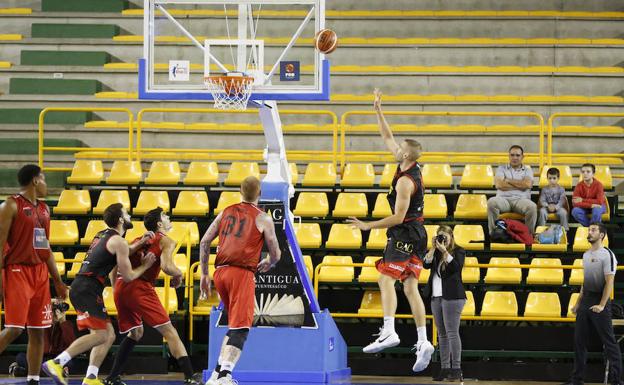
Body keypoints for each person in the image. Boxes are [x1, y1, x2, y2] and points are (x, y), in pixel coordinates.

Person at [346, 88, 434, 373]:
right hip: (419, 235)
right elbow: (387, 137)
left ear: (407, 154)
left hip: (405, 235)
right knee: (409, 286)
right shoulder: (407, 163)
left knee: (385, 280)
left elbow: (397, 217)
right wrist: (377, 110)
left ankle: (389, 331)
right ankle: (422, 341)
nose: (396, 149)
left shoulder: (405, 183)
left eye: (401, 149)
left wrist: (367, 225)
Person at [42, 203, 156, 385]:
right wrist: (146, 266)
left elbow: (122, 251)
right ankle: (57, 362)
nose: (129, 215)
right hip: (87, 289)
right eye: (126, 213)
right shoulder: (118, 241)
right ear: (120, 219)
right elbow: (128, 276)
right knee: (101, 334)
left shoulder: (104, 235)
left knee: (109, 334)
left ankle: (91, 377)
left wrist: (140, 243)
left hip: (86, 287)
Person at [103, 207, 199, 385]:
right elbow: (166, 267)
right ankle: (190, 376)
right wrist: (179, 274)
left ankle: (112, 377)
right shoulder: (167, 241)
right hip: (140, 287)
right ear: (159, 224)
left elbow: (115, 263)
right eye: (165, 216)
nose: (168, 217)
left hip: (121, 287)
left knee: (136, 332)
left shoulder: (138, 239)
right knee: (169, 331)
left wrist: (115, 285)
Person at [200, 176, 282, 385]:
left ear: (239, 190)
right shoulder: (263, 218)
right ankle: (226, 376)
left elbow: (204, 241)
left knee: (233, 325)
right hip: (241, 273)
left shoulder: (226, 211)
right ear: (260, 193)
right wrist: (269, 262)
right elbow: (276, 252)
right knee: (242, 328)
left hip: (220, 273)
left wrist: (203, 273)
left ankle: (216, 374)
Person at [0, 164, 68, 385]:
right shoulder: (10, 205)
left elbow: (44, 247)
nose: (47, 184)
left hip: (40, 274)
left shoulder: (45, 209)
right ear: (36, 181)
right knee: (14, 329)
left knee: (39, 330)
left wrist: (57, 281)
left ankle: (33, 379)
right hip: (17, 270)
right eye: (44, 179)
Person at [565, 223, 622, 385]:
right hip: (586, 301)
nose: (589, 232)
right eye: (589, 230)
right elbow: (585, 282)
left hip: (600, 301)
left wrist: (603, 305)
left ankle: (616, 381)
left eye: (593, 230)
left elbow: (609, 282)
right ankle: (577, 379)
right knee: (579, 342)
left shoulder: (607, 255)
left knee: (609, 342)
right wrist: (577, 304)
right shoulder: (585, 255)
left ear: (602, 235)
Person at [422, 225, 466, 382]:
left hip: (453, 297)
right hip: (436, 296)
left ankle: (456, 368)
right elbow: (425, 265)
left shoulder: (459, 251)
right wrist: (433, 249)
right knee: (442, 334)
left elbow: (456, 267)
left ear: (451, 237)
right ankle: (445, 368)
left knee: (452, 332)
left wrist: (445, 252)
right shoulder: (435, 253)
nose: (442, 240)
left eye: (445, 237)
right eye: (439, 237)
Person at [10, 299, 76, 377]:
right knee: (20, 357)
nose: (54, 313)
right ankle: (55, 372)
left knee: (69, 362)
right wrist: (46, 305)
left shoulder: (66, 324)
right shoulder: (41, 322)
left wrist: (63, 321)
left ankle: (25, 371)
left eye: (55, 310)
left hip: (57, 358)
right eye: (52, 310)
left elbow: (72, 344)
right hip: (41, 357)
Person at [487, 145, 537, 234]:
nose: (515, 157)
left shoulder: (527, 170)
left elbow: (527, 184)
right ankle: (493, 234)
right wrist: (520, 185)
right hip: (503, 200)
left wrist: (508, 180)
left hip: (521, 200)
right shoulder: (501, 168)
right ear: (509, 156)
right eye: (512, 155)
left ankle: (529, 236)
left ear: (522, 157)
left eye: (517, 155)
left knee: (532, 207)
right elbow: (499, 184)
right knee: (491, 202)